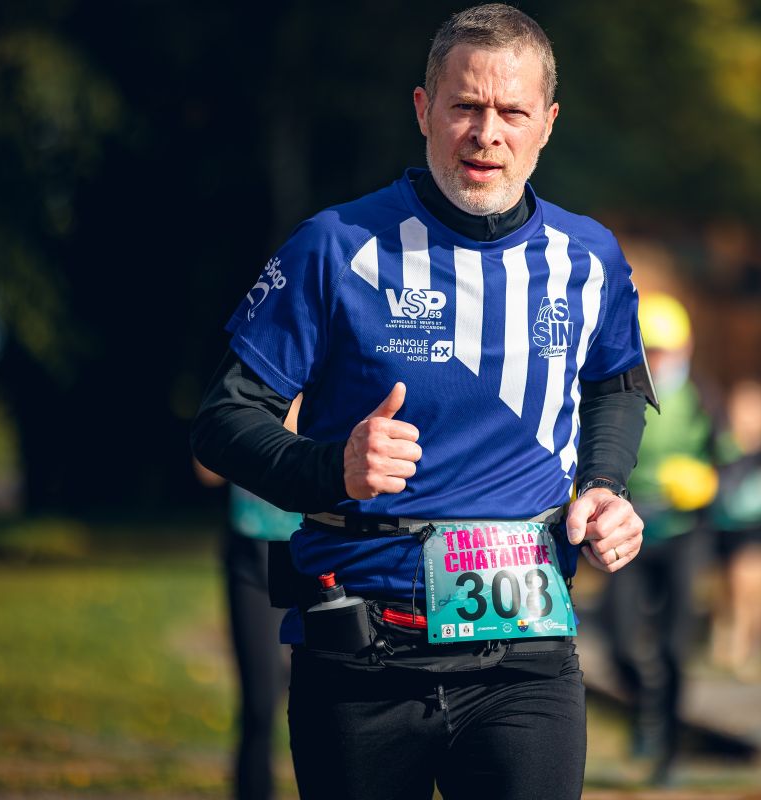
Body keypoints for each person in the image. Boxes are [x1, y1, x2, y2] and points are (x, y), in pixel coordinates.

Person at [190, 6, 650, 799]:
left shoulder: (590, 257)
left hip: (528, 657)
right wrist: (332, 467)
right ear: (423, 109)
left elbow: (615, 382)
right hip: (362, 657)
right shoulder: (335, 245)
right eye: (465, 105)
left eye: (512, 112)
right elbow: (222, 421)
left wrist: (606, 484)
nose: (486, 133)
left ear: (547, 123)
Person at [601, 292, 716, 786]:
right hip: (632, 533)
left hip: (684, 534)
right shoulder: (617, 393)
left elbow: (736, 459)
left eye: (667, 350)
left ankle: (666, 752)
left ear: (685, 349)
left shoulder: (704, 397)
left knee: (673, 648)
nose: (659, 360)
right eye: (651, 350)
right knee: (622, 641)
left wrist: (709, 481)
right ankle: (643, 709)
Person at [193, 394, 303, 800]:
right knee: (258, 703)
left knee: (321, 702)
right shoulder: (243, 386)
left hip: (311, 556)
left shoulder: (325, 380)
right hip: (250, 553)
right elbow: (206, 470)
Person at [708, 379, 761, 682]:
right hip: (725, 525)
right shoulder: (723, 445)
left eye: (755, 410)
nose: (747, 417)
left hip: (759, 526)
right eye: (741, 409)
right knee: (728, 587)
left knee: (751, 584)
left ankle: (749, 646)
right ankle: (725, 630)